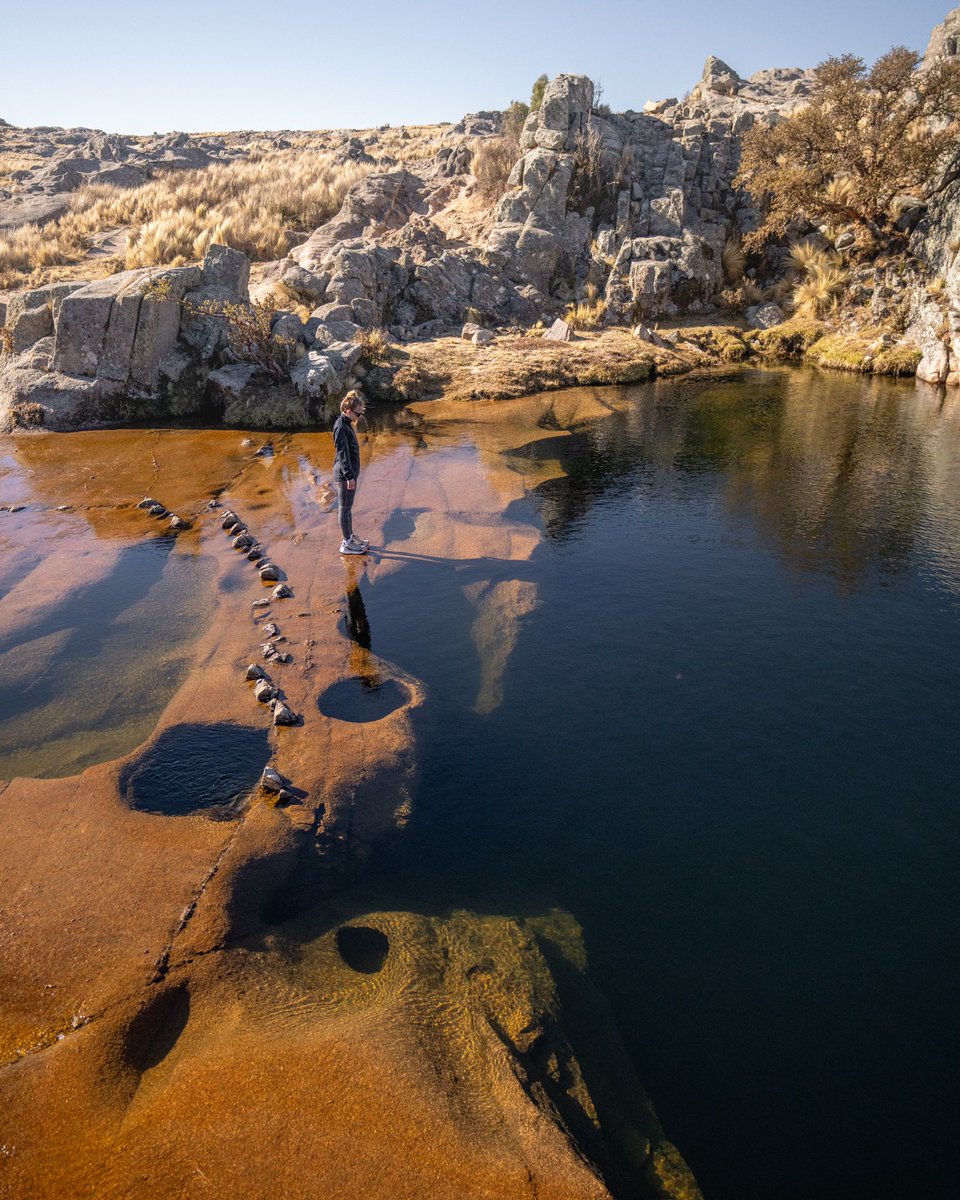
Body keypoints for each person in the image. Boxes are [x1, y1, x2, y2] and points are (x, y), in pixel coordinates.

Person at [332, 390, 370, 555]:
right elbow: (342, 454)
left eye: (361, 413)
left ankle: (350, 537)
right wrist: (349, 477)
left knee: (348, 508)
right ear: (348, 411)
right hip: (344, 476)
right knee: (344, 508)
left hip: (349, 474)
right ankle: (346, 544)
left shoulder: (346, 423)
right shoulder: (341, 427)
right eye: (358, 414)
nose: (360, 417)